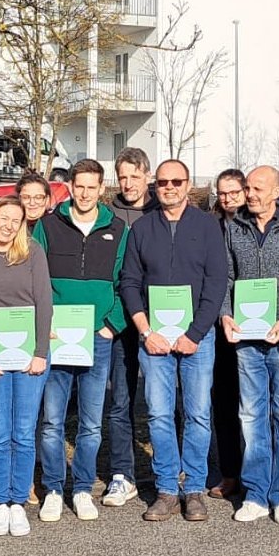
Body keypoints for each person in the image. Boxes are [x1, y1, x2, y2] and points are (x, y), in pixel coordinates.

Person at [118, 159, 229, 524]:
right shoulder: (142, 228)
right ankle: (166, 489)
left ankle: (193, 488)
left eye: (176, 181)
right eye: (163, 182)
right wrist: (146, 332)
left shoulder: (208, 226)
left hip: (197, 339)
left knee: (198, 414)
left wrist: (195, 334)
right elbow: (129, 282)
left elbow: (216, 282)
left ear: (188, 184)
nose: (169, 187)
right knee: (159, 414)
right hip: (154, 340)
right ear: (155, 185)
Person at [35, 160, 127, 523]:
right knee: (52, 421)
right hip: (57, 337)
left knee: (91, 422)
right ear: (70, 187)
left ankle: (83, 488)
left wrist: (111, 325)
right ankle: (54, 489)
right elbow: (36, 280)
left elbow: (126, 281)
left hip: (97, 338)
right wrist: (44, 324)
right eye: (79, 186)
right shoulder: (48, 225)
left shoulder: (117, 228)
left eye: (92, 187)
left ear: (101, 188)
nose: (85, 193)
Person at [219, 167, 279, 525]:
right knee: (251, 416)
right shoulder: (234, 227)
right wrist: (226, 315)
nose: (250, 194)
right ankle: (256, 493)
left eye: (258, 188)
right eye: (248, 188)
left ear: (276, 191)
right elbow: (227, 277)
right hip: (246, 339)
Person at [0, 196, 53, 537]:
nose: (9, 225)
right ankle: (0, 501)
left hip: (30, 352)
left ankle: (18, 501)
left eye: (16, 220)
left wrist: (40, 351)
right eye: (4, 218)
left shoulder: (33, 253)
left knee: (24, 430)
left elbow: (44, 303)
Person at [104, 147, 156, 507]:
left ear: (147, 176)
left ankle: (170, 469)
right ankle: (123, 475)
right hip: (121, 322)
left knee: (162, 402)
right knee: (120, 402)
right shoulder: (108, 216)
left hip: (160, 321)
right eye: (122, 177)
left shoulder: (162, 211)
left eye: (135, 176)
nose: (128, 183)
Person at [208, 168, 247, 500]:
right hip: (219, 325)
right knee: (224, 403)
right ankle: (230, 472)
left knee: (255, 405)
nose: (228, 198)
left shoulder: (252, 224)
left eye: (234, 192)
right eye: (222, 193)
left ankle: (258, 472)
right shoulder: (210, 226)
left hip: (254, 324)